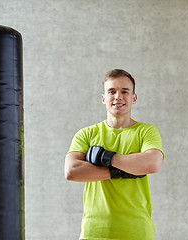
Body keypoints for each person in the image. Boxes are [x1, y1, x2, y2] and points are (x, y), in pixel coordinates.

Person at [65, 69, 164, 240]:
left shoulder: (146, 132)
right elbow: (72, 171)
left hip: (137, 231)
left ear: (134, 97)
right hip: (94, 232)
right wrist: (122, 171)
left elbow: (152, 163)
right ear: (103, 98)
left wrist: (106, 158)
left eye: (124, 91)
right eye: (112, 91)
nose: (118, 96)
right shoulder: (86, 134)